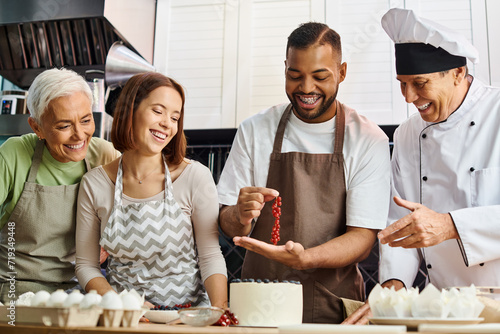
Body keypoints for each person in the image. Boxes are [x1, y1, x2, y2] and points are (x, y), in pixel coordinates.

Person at [217, 22, 391, 323]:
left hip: (335, 311)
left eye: (320, 77)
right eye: (294, 76)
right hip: (259, 310)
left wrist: (306, 258)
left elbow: (363, 237)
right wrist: (239, 216)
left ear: (342, 72)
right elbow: (227, 225)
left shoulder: (367, 138)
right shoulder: (254, 130)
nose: (306, 88)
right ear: (285, 69)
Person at [344, 8, 500, 324]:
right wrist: (393, 289)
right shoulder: (407, 135)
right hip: (442, 310)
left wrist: (451, 225)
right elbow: (401, 226)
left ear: (458, 72)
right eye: (402, 83)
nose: (409, 97)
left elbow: (439, 225)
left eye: (420, 83)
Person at [75, 72, 228, 308]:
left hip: (188, 318)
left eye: (175, 117)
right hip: (127, 318)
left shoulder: (194, 176)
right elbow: (86, 265)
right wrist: (122, 303)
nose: (167, 123)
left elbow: (210, 256)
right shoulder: (94, 184)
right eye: (158, 111)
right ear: (129, 111)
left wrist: (218, 312)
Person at [0, 68, 119, 303]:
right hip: (17, 293)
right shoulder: (13, 154)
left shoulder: (104, 156)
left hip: (82, 294)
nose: (79, 135)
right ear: (37, 128)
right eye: (64, 126)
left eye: (86, 120)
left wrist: (110, 240)